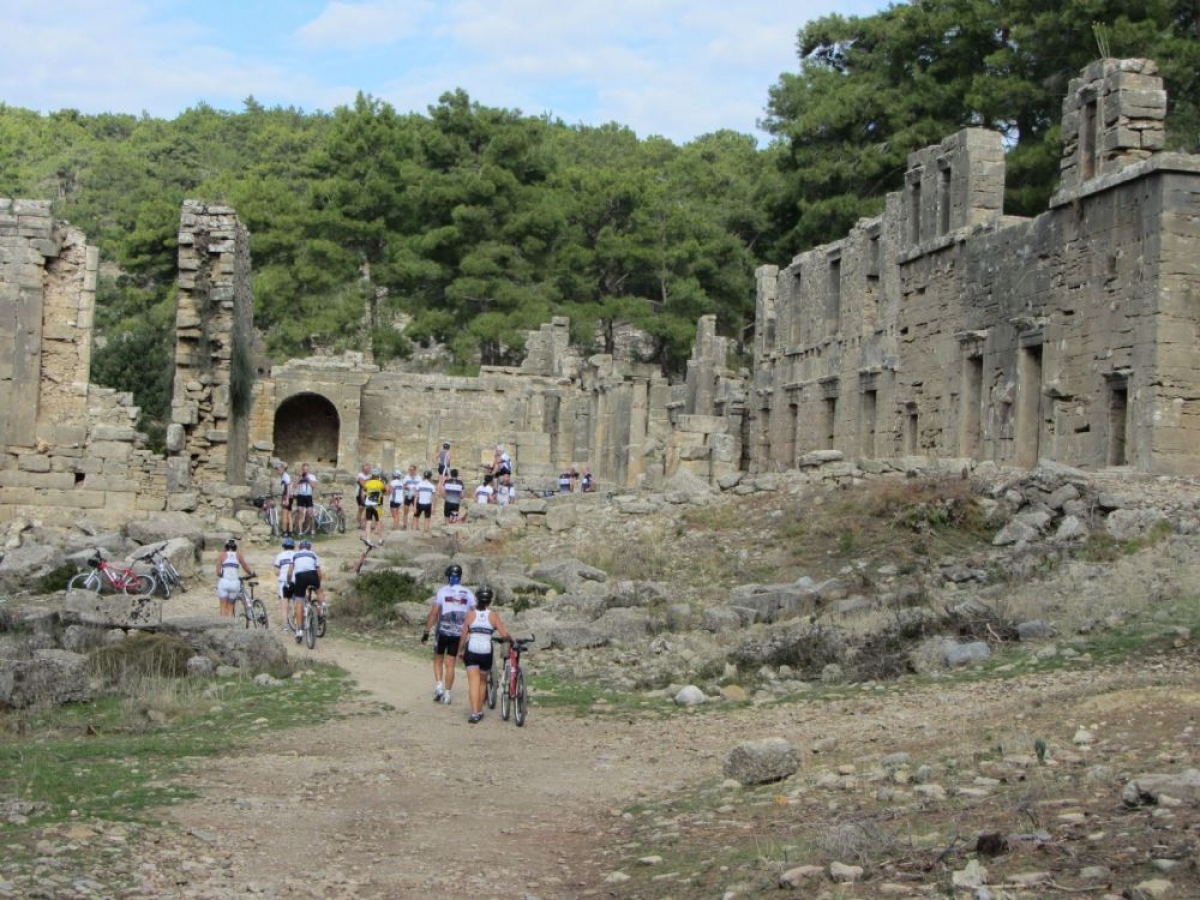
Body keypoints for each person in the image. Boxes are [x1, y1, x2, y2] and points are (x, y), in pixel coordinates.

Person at [421, 563, 476, 705]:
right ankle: (447, 694)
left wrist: (426, 632)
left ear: (449, 577)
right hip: (459, 633)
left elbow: (434, 613)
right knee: (450, 664)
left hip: (443, 631)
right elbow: (474, 613)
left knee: (438, 659)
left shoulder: (442, 591)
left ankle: (439, 686)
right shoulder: (468, 593)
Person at [458, 586, 512, 724]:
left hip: (472, 650)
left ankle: (474, 713)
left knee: (473, 683)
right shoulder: (493, 615)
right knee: (482, 682)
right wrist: (511, 640)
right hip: (486, 651)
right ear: (490, 600)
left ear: (477, 599)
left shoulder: (470, 614)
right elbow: (504, 634)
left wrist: (460, 651)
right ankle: (480, 710)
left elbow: (463, 636)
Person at [286, 539, 325, 643]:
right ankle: (322, 607)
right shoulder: (313, 554)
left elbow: (290, 572)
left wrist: (289, 582)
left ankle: (299, 631)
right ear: (309, 547)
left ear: (299, 547)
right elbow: (319, 573)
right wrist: (318, 585)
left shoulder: (295, 555)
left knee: (299, 602)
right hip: (312, 575)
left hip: (300, 577)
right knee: (319, 591)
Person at [215, 538, 254, 617]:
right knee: (230, 606)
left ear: (226, 546)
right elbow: (245, 567)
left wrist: (222, 575)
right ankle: (230, 623)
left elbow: (218, 572)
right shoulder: (238, 555)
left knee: (223, 606)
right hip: (235, 584)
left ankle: (223, 623)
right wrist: (251, 573)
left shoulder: (221, 555)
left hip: (224, 583)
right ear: (235, 547)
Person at [272, 536, 296, 628]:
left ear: (284, 546)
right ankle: (297, 624)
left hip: (284, 582)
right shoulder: (296, 554)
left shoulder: (280, 555)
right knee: (296, 602)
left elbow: (276, 572)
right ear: (293, 546)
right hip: (295, 581)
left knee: (284, 604)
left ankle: (285, 626)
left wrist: (281, 573)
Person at [361, 467, 387, 543]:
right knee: (378, 522)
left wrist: (364, 502)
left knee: (368, 522)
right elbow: (385, 492)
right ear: (378, 475)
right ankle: (380, 540)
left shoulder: (367, 483)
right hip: (377, 506)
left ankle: (368, 539)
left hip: (368, 505)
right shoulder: (380, 483)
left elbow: (363, 494)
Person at [292, 463, 317, 535]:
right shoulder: (300, 476)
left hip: (308, 496)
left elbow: (314, 486)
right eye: (304, 469)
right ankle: (300, 532)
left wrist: (308, 478)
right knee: (300, 514)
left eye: (306, 469)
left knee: (310, 514)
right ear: (302, 469)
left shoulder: (312, 476)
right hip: (300, 496)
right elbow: (294, 486)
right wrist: (299, 478)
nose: (305, 470)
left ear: (308, 469)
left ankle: (312, 530)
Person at [401, 464, 421, 530]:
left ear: (415, 470)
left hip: (415, 496)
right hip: (408, 495)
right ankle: (404, 525)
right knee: (405, 510)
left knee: (416, 511)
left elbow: (421, 487)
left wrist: (416, 489)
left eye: (412, 469)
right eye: (409, 469)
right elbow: (403, 486)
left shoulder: (419, 478)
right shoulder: (406, 477)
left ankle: (415, 525)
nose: (410, 471)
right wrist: (406, 487)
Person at [276, 462, 293, 536]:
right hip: (288, 496)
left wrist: (287, 499)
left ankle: (285, 532)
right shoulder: (284, 476)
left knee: (284, 514)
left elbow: (288, 487)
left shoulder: (285, 476)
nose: (277, 471)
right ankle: (290, 532)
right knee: (288, 514)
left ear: (283, 469)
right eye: (277, 469)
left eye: (279, 469)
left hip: (287, 497)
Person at [354, 462, 372, 528]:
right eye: (367, 468)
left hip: (367, 493)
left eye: (369, 468)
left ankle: (365, 523)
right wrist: (368, 481)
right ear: (364, 469)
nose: (369, 470)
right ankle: (359, 523)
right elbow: (363, 485)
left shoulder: (369, 475)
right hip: (360, 494)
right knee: (361, 508)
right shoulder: (360, 475)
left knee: (368, 508)